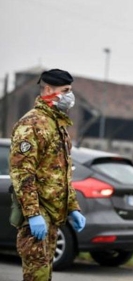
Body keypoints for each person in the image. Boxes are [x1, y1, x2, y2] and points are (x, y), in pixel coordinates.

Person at [9, 69, 86, 281]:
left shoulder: (57, 124)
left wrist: (72, 208)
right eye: (66, 91)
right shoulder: (31, 124)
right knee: (37, 276)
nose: (70, 96)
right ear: (49, 90)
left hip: (52, 216)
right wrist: (33, 214)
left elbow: (62, 174)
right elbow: (22, 172)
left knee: (45, 274)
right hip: (38, 214)